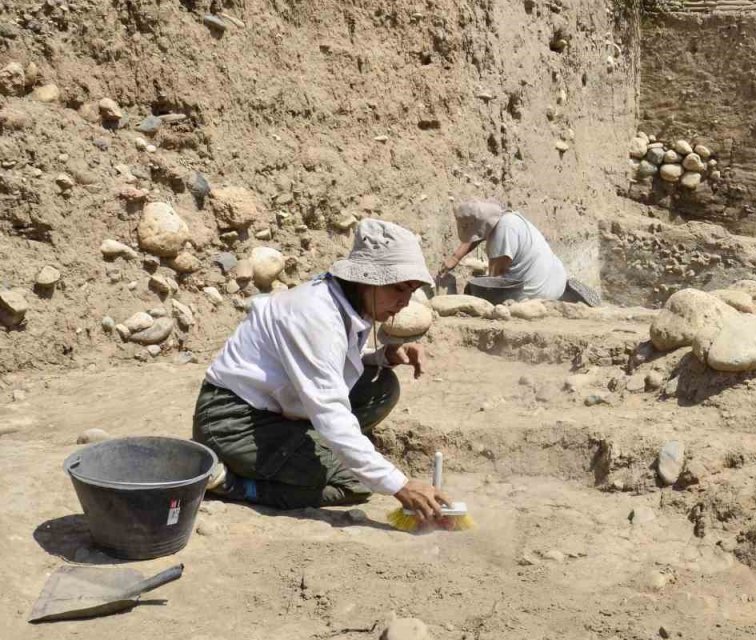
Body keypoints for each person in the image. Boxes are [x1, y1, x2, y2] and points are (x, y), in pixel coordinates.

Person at [193, 219, 449, 524]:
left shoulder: (347, 302)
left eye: (412, 291)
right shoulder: (315, 315)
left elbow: (326, 362)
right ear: (368, 279)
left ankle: (311, 454)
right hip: (233, 422)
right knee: (356, 483)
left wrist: (382, 357)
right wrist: (401, 485)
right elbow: (330, 410)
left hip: (276, 410)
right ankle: (233, 483)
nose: (404, 302)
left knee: (381, 386)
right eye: (398, 288)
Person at [437, 199, 601, 306]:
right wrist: (455, 258)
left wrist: (479, 286)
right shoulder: (509, 219)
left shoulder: (503, 232)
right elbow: (478, 235)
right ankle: (566, 295)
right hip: (557, 277)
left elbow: (495, 279)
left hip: (535, 292)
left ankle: (548, 299)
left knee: (476, 290)